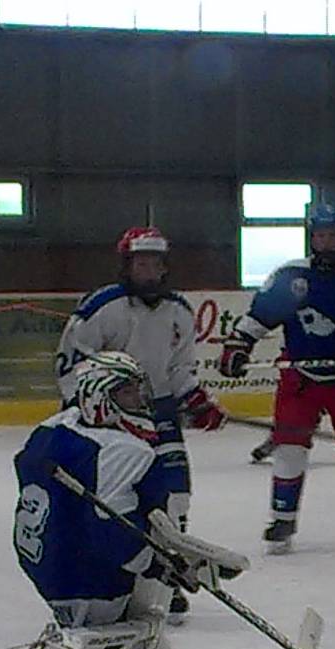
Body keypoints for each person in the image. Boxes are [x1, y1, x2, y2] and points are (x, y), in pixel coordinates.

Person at [2, 352, 248, 649]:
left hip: (40, 556)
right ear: (102, 397)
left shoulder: (54, 427)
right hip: (82, 574)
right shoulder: (124, 449)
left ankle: (101, 637)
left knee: (142, 547)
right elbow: (109, 532)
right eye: (128, 393)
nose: (140, 401)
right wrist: (162, 566)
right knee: (142, 578)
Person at [55, 226, 227, 617]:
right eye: (140, 263)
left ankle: (171, 572)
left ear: (165, 267)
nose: (148, 271)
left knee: (176, 495)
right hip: (110, 415)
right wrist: (84, 408)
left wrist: (197, 400)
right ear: (127, 265)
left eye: (155, 263)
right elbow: (70, 361)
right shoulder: (102, 307)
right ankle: (117, 566)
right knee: (118, 496)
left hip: (159, 410)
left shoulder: (180, 311)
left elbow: (180, 368)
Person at [217, 203, 335, 550]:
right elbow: (260, 316)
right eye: (319, 235)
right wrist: (238, 347)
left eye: (332, 235)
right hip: (299, 376)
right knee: (289, 448)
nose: (325, 242)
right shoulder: (290, 276)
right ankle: (282, 522)